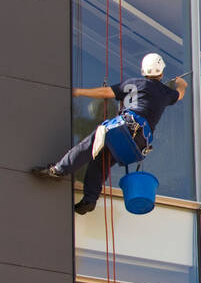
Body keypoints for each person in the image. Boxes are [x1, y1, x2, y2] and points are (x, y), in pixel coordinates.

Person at [33, 52, 187, 214]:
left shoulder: (134, 83)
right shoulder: (166, 93)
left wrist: (79, 92)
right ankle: (89, 200)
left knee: (90, 144)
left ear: (143, 71)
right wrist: (181, 84)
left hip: (126, 127)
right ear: (161, 72)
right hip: (140, 141)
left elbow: (106, 93)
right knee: (100, 161)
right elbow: (180, 94)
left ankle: (58, 170)